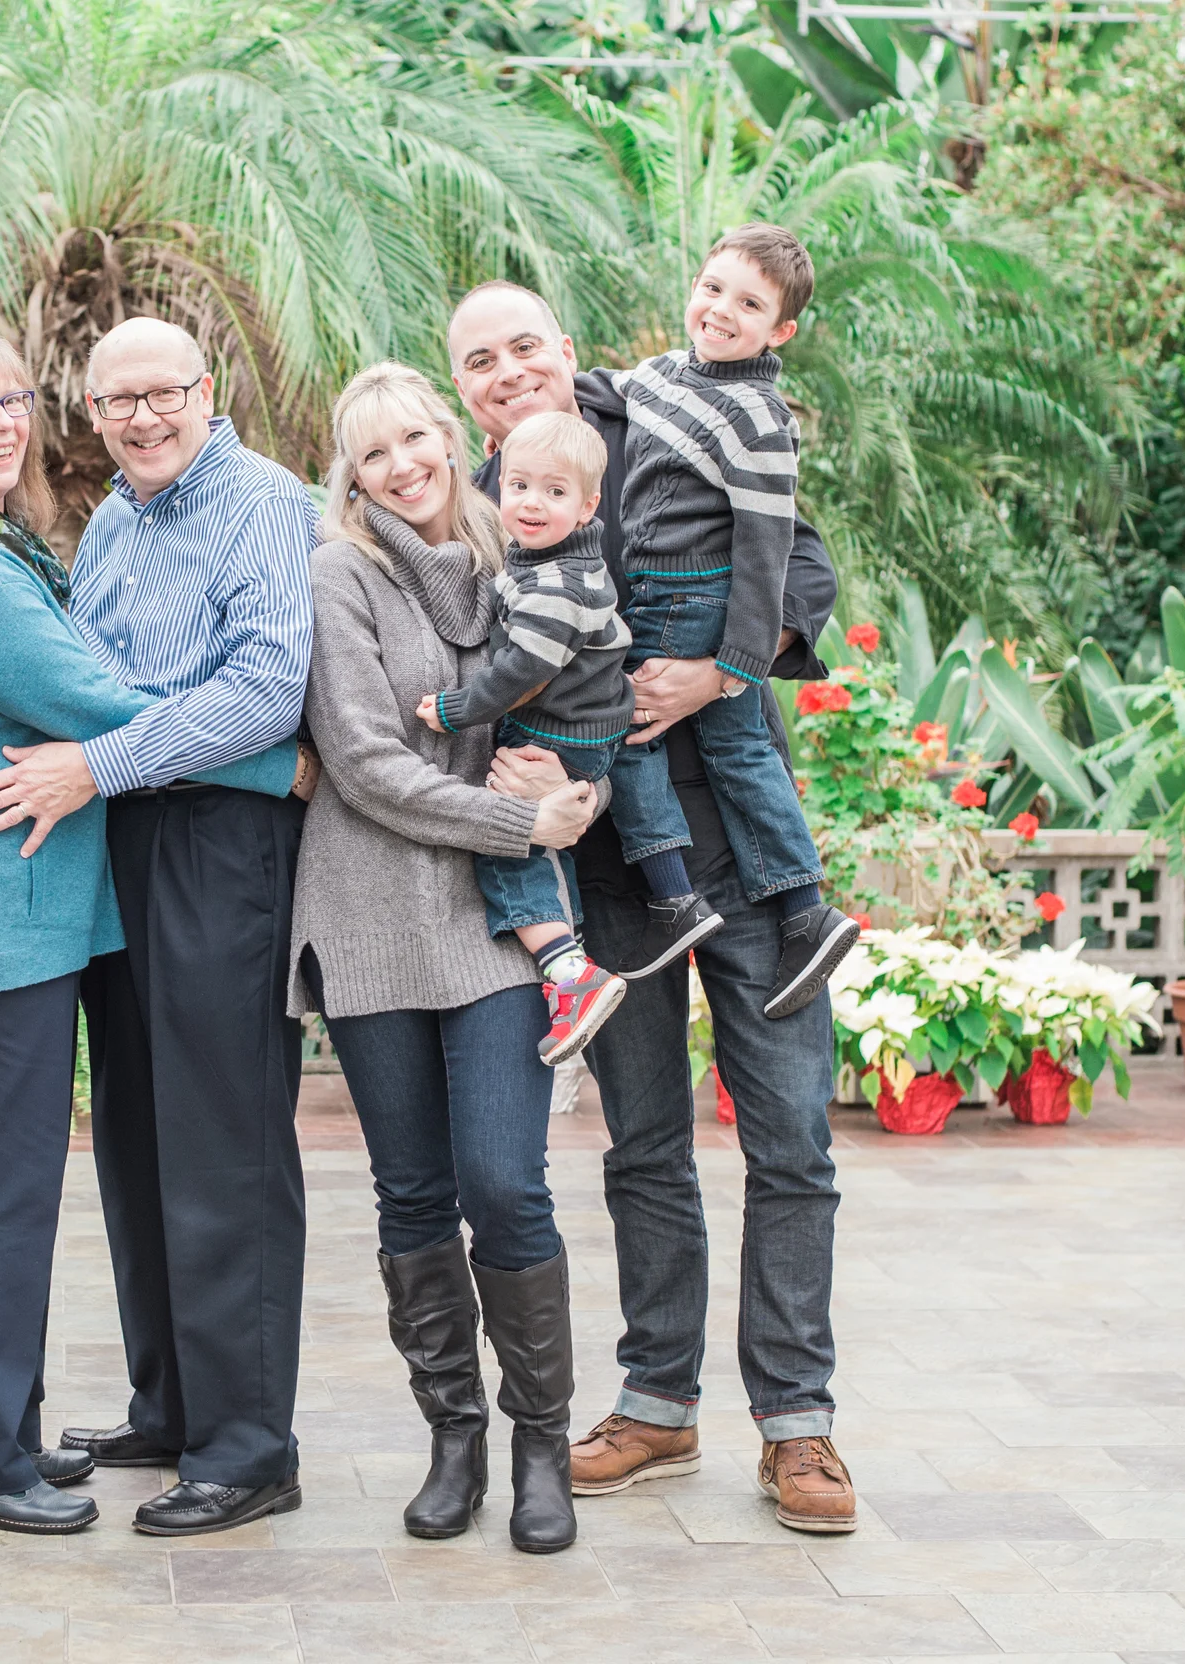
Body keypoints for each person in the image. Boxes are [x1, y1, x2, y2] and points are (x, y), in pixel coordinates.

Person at [0, 325, 299, 1536]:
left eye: (10, 400)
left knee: (156, 1151)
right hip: (42, 883)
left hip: (140, 860)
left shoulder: (235, 504)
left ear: (208, 393)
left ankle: (177, 1434)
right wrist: (274, 753)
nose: (0, 422)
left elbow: (215, 691)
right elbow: (99, 696)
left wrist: (231, 751)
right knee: (48, 1172)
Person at [445, 278, 856, 1532]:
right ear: (461, 385)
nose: (508, 370)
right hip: (609, 862)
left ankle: (799, 1424)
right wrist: (503, 767)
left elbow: (807, 567)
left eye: (526, 344)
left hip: (741, 841)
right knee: (642, 1142)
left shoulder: (677, 420)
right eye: (479, 361)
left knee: (790, 1133)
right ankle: (656, 1401)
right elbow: (455, 663)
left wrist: (714, 669)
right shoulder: (473, 499)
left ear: (566, 350)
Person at [294, 361, 605, 1554]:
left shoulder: (524, 554)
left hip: (493, 927)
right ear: (352, 473)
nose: (403, 465)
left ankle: (541, 1442)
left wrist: (574, 789)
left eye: (416, 437)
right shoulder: (340, 574)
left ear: (448, 437)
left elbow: (583, 704)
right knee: (412, 1191)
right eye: (374, 452)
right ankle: (453, 1436)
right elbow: (367, 763)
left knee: (505, 1181)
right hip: (370, 919)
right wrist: (517, 819)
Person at [596, 224, 858, 1014]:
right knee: (735, 750)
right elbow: (610, 388)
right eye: (713, 289)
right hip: (669, 595)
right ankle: (803, 911)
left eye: (748, 304)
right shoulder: (669, 373)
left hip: (688, 599)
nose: (720, 310)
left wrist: (737, 663)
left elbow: (770, 547)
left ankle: (676, 897)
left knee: (629, 724)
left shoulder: (759, 416)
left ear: (780, 331)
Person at [409, 408, 632, 1066]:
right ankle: (567, 959)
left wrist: (456, 711)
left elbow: (521, 671)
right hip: (577, 729)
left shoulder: (558, 585)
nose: (532, 503)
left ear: (589, 504)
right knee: (546, 851)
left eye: (555, 493)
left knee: (508, 842)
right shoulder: (545, 558)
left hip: (555, 733)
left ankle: (569, 973)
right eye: (519, 486)